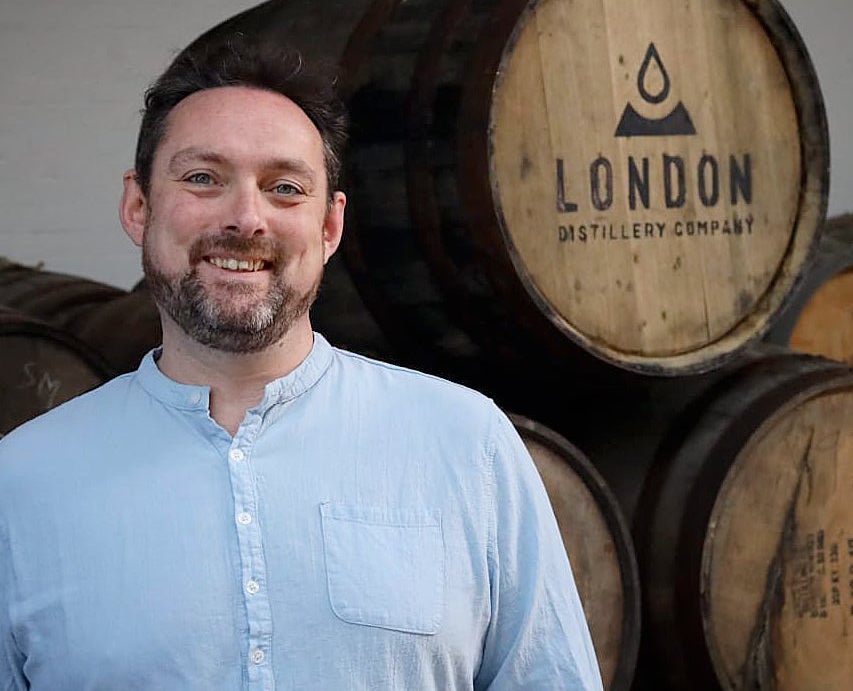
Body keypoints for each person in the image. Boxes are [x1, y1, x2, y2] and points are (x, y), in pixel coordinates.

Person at [0, 37, 603, 690]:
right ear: (138, 205)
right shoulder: (24, 480)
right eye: (203, 177)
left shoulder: (467, 444)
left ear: (329, 226)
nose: (246, 217)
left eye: (284, 187)